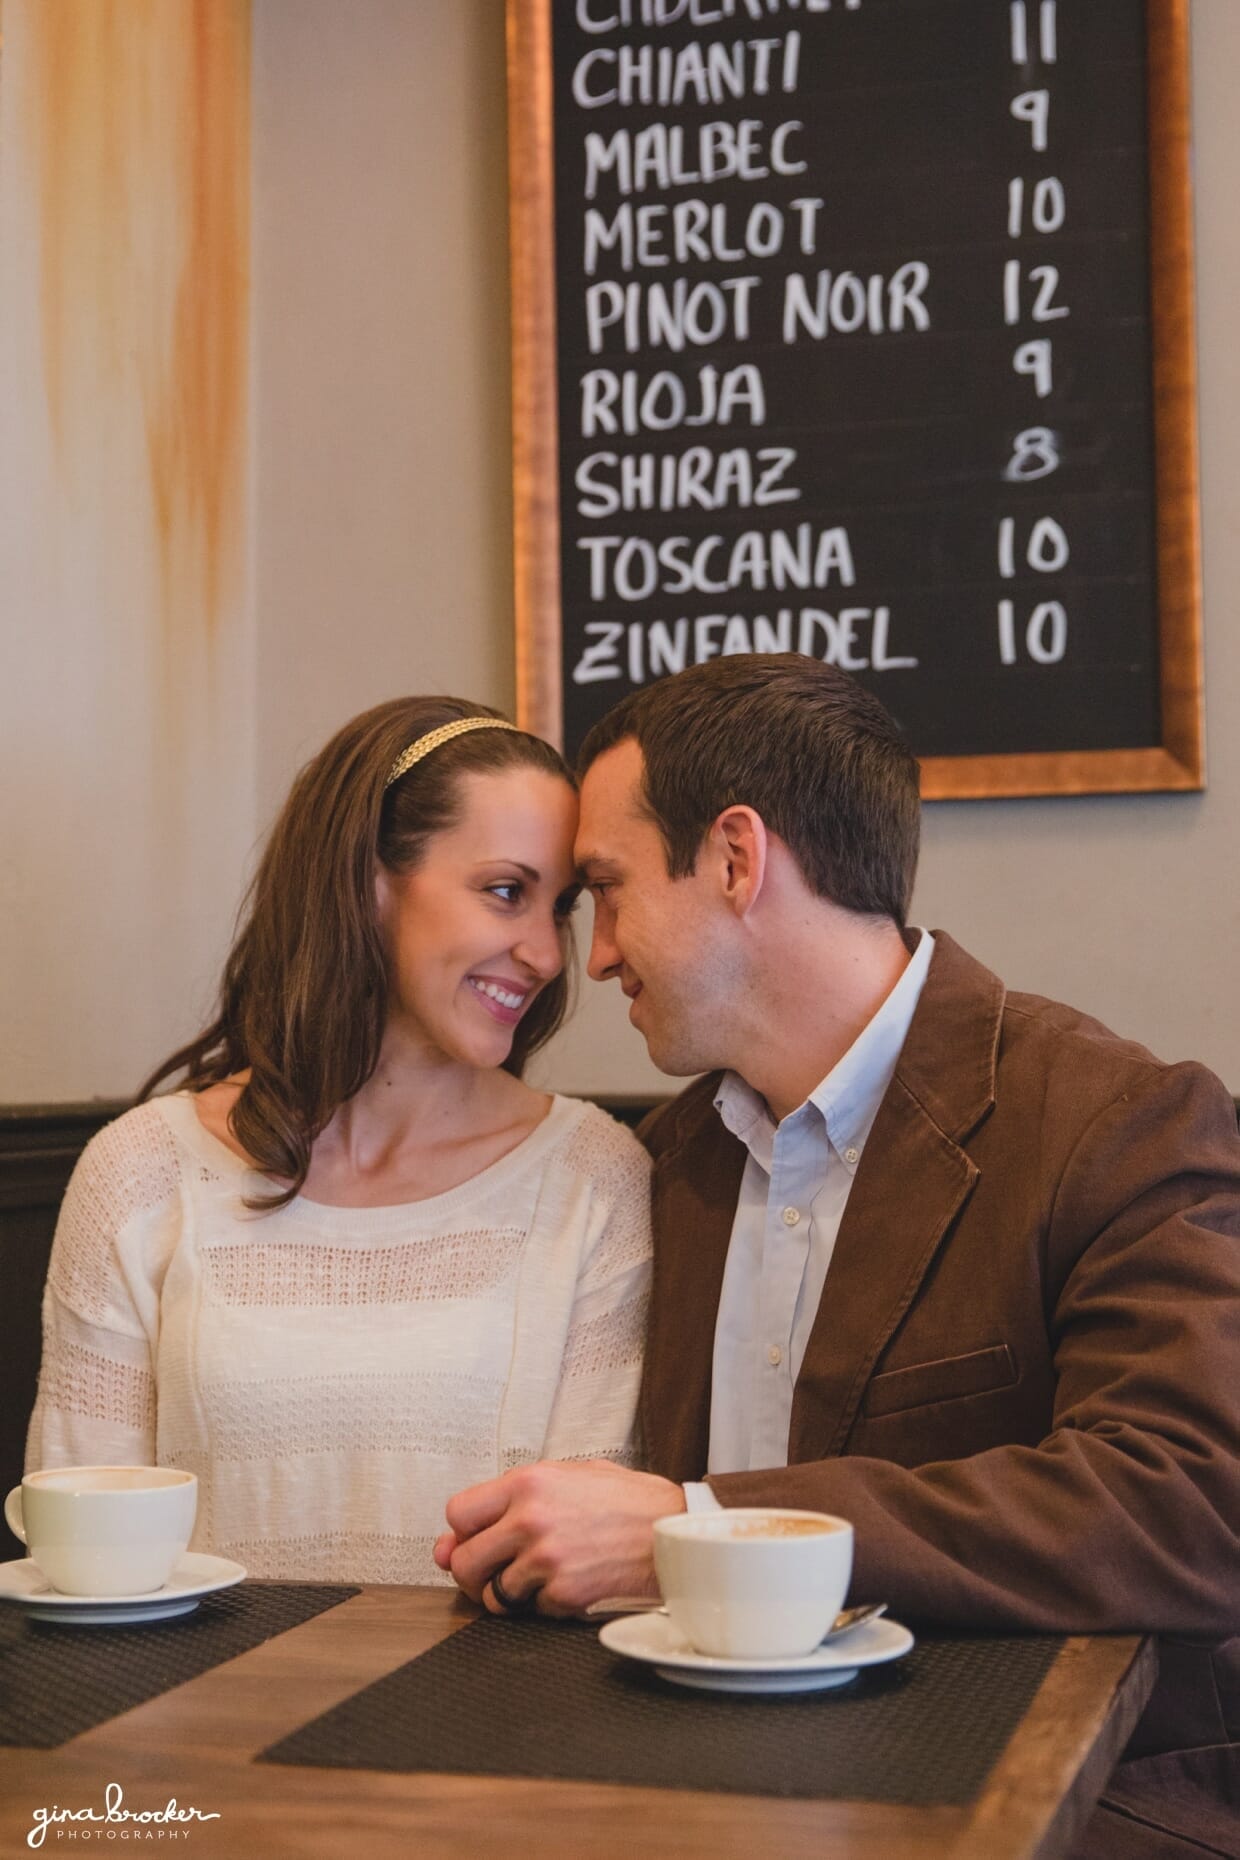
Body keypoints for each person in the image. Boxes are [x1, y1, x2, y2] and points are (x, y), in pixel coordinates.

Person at [436, 655, 1240, 1851]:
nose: (592, 957)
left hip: (1057, 1803)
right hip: (687, 1787)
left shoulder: (1113, 1120)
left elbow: (1189, 1505)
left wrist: (696, 1523)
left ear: (736, 858)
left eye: (605, 889)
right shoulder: (662, 1167)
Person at [26, 696, 651, 1585]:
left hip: (497, 1717)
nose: (548, 955)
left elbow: (584, 1575)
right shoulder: (140, 1172)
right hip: (190, 1719)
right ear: (367, 881)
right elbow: (80, 1561)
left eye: (562, 908)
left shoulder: (595, 1180)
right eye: (507, 892)